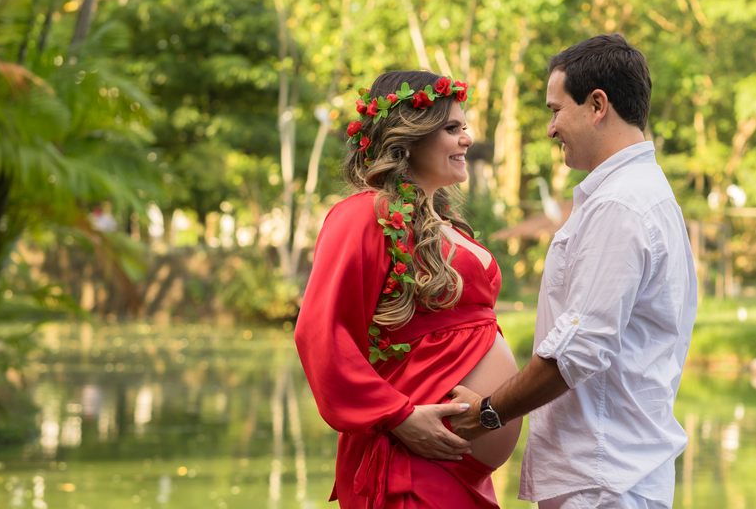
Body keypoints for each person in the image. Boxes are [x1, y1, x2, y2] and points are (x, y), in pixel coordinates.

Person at [450, 35, 699, 509]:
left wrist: (486, 414)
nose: (550, 128)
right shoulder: (639, 194)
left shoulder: (620, 204)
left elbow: (579, 349)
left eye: (556, 109)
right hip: (610, 476)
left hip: (606, 480)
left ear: (597, 105)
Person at [294, 70, 521, 509]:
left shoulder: (447, 225)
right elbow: (321, 334)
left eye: (465, 126)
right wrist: (399, 417)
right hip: (412, 461)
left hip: (460, 470)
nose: (467, 139)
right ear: (410, 137)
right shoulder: (365, 214)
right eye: (452, 129)